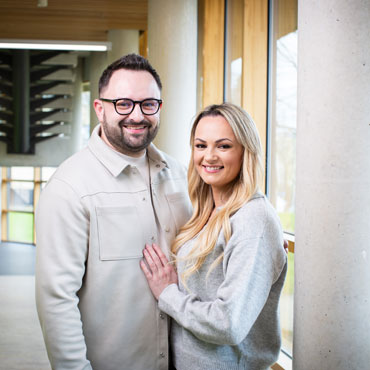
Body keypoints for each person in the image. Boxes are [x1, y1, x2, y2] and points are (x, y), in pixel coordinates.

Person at [35, 53, 192, 370]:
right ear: (99, 108)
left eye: (148, 104)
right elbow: (56, 299)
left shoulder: (179, 173)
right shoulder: (69, 187)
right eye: (123, 103)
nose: (137, 115)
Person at [141, 103, 287, 370]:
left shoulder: (254, 221)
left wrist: (168, 294)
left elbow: (228, 323)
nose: (209, 156)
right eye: (200, 145)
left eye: (223, 146)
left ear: (245, 151)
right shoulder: (206, 212)